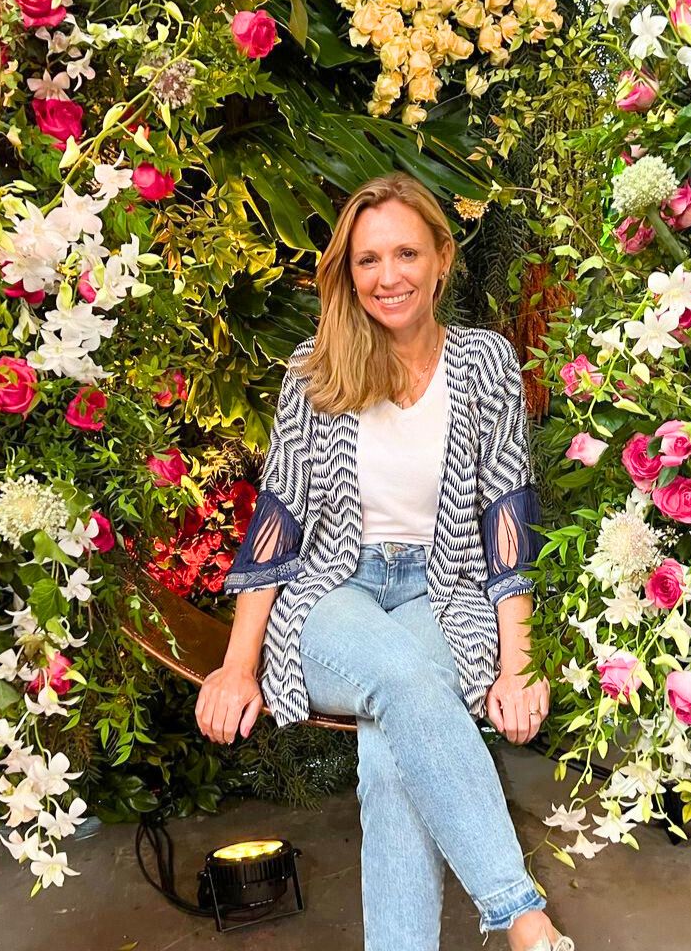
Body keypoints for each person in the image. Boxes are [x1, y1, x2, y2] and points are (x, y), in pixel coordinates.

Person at [196, 172, 572, 951]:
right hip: (336, 591)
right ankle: (521, 916)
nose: (388, 276)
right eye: (368, 260)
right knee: (407, 681)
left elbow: (509, 517)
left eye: (405, 253)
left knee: (395, 759)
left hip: (449, 590)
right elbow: (280, 517)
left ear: (442, 257)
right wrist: (238, 665)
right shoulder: (317, 367)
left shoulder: (485, 363)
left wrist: (519, 662)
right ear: (348, 271)